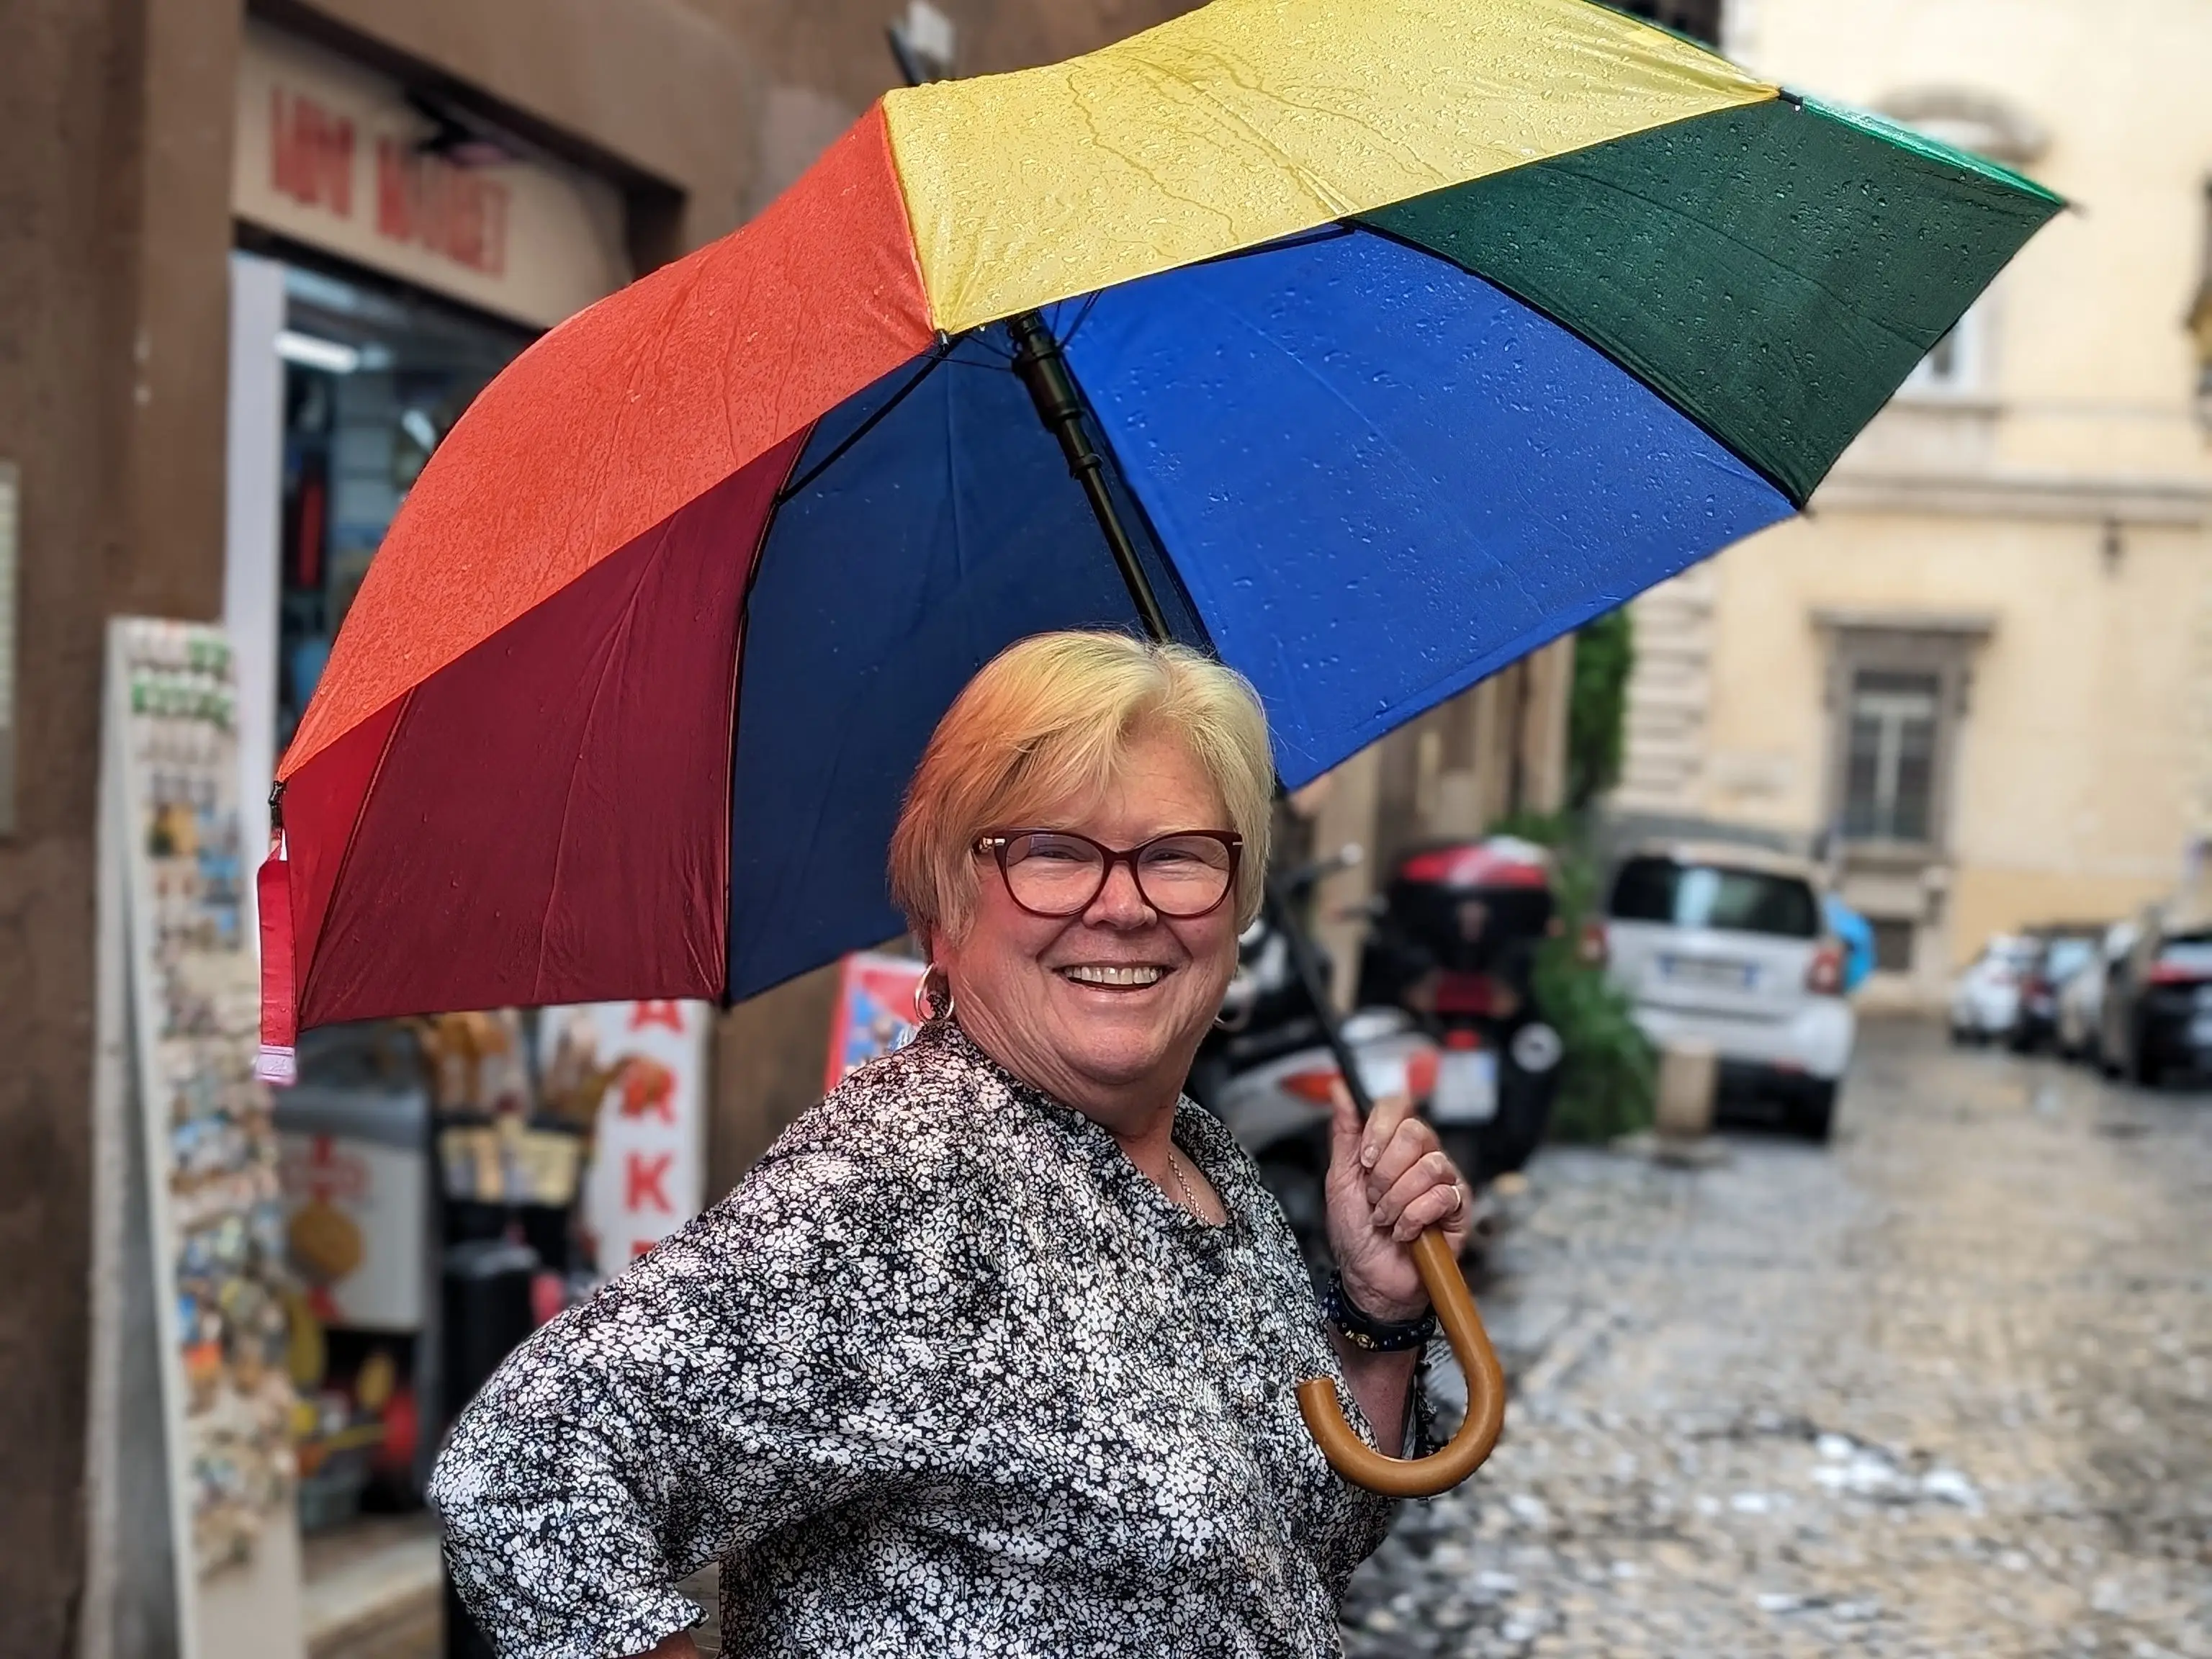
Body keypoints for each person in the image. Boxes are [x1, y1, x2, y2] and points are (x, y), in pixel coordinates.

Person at [431, 631, 1476, 1658]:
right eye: (1053, 854)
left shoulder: (1201, 1162)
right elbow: (524, 1473)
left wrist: (1378, 1322)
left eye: (1177, 855)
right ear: (945, 903)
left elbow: (1297, 1554)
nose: (1125, 906)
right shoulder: (909, 1181)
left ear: (1237, 899)